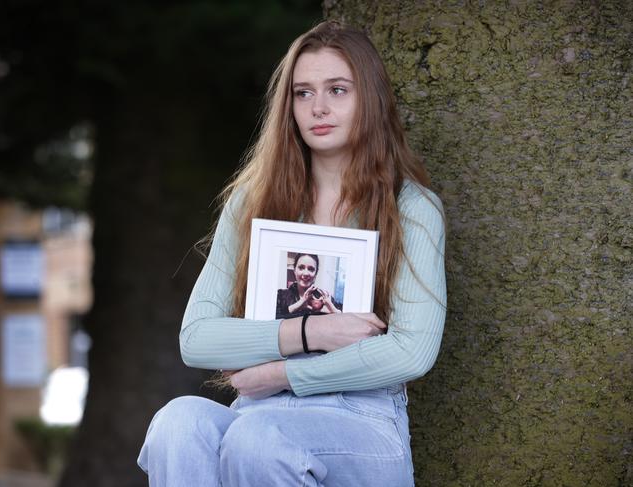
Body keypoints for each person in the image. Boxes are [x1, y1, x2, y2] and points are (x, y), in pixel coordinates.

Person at [137, 20, 446, 487]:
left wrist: (284, 374)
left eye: (337, 90)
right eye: (303, 93)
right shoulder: (252, 202)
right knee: (179, 422)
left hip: (360, 417)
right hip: (259, 412)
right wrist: (314, 329)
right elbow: (196, 338)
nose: (318, 107)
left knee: (257, 436)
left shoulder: (411, 207)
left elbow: (413, 352)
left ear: (371, 98)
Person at [276, 253, 343, 319]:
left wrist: (333, 312)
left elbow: (346, 321)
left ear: (316, 273)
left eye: (311, 269)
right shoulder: (281, 296)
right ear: (294, 270)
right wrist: (296, 306)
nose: (306, 273)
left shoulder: (326, 300)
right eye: (301, 268)